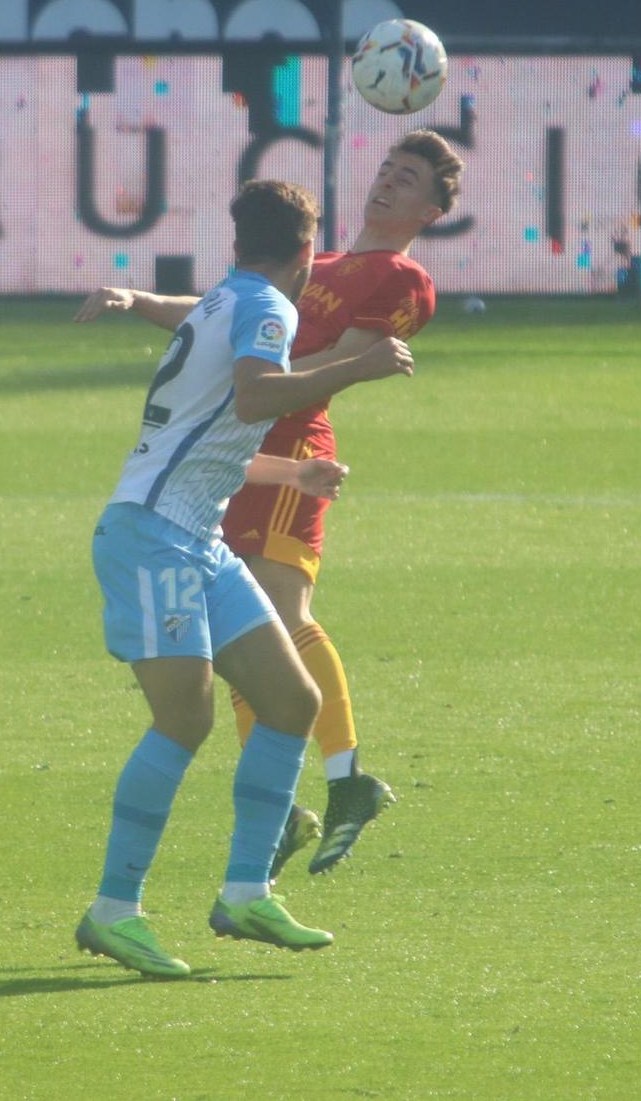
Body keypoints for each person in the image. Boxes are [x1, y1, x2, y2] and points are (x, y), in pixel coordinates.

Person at [76, 130, 463, 876]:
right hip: (237, 457)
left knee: (284, 617)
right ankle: (284, 803)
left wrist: (257, 370)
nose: (387, 181)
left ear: (433, 209)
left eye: (408, 178)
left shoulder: (401, 278)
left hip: (292, 444)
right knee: (243, 641)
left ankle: (348, 779)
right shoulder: (320, 265)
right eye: (387, 167)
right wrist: (141, 300)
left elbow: (321, 367)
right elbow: (221, 313)